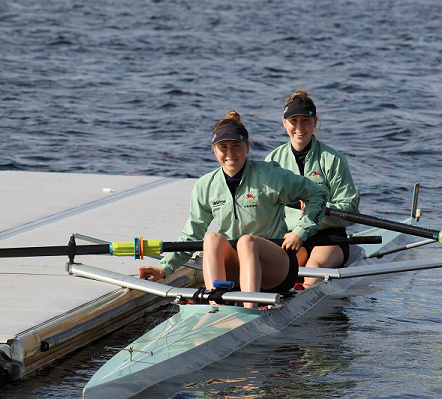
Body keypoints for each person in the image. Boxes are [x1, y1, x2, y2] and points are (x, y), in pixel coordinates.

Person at [139, 110, 328, 308]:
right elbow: (191, 236)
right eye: (223, 147)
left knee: (247, 242)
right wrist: (163, 269)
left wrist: (300, 231)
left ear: (247, 147)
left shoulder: (270, 175)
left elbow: (318, 195)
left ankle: (249, 310)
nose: (230, 154)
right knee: (211, 239)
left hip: (277, 268)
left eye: (236, 146)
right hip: (237, 267)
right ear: (214, 150)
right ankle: (215, 304)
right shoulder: (205, 185)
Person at [265, 88, 359, 286]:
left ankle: (302, 299)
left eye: (305, 120)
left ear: (315, 122)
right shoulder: (273, 160)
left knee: (313, 267)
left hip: (328, 235)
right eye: (293, 121)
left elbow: (350, 209)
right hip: (290, 235)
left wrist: (319, 210)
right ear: (284, 123)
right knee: (284, 267)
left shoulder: (333, 159)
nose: (300, 127)